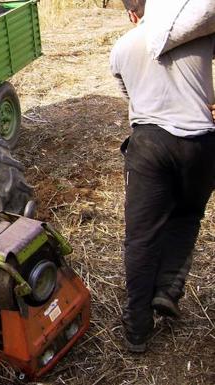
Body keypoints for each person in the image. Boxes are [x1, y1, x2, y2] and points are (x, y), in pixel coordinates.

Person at [110, 0, 215, 352]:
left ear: (131, 13)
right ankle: (169, 289)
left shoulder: (122, 47)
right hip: (202, 145)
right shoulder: (199, 34)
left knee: (141, 238)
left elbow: (129, 98)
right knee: (186, 217)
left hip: (149, 145)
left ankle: (137, 328)